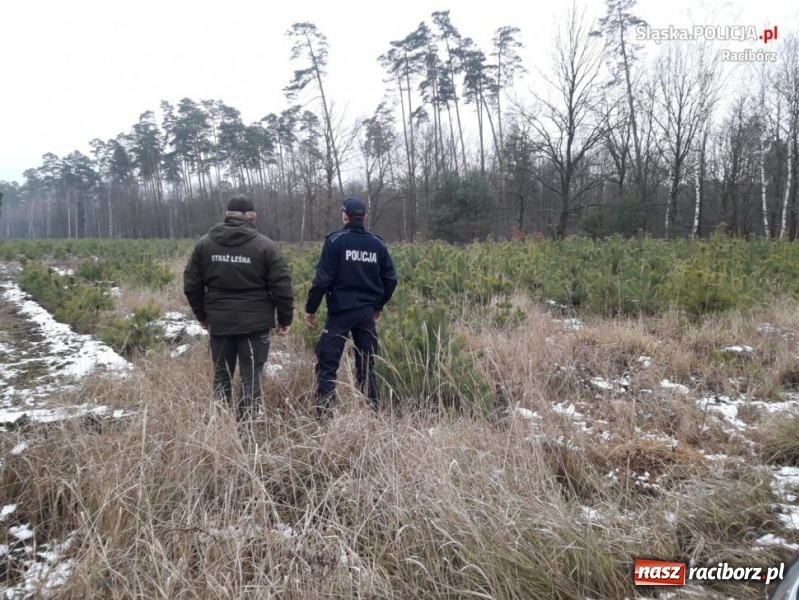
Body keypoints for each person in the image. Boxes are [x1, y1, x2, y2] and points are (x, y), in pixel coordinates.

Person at [184, 193, 294, 421]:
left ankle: (221, 426)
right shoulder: (266, 246)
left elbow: (192, 284)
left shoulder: (205, 244)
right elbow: (282, 286)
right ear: (253, 216)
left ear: (227, 214)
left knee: (222, 375)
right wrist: (285, 319)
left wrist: (202, 316)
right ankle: (246, 429)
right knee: (251, 377)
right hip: (255, 324)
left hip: (220, 322)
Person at [305, 197, 398, 419]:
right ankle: (372, 415)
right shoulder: (377, 244)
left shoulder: (335, 241)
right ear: (364, 217)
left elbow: (322, 280)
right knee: (366, 365)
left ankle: (324, 417)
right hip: (366, 313)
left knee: (328, 364)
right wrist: (378, 305)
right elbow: (391, 279)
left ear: (345, 216)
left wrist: (311, 309)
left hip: (340, 313)